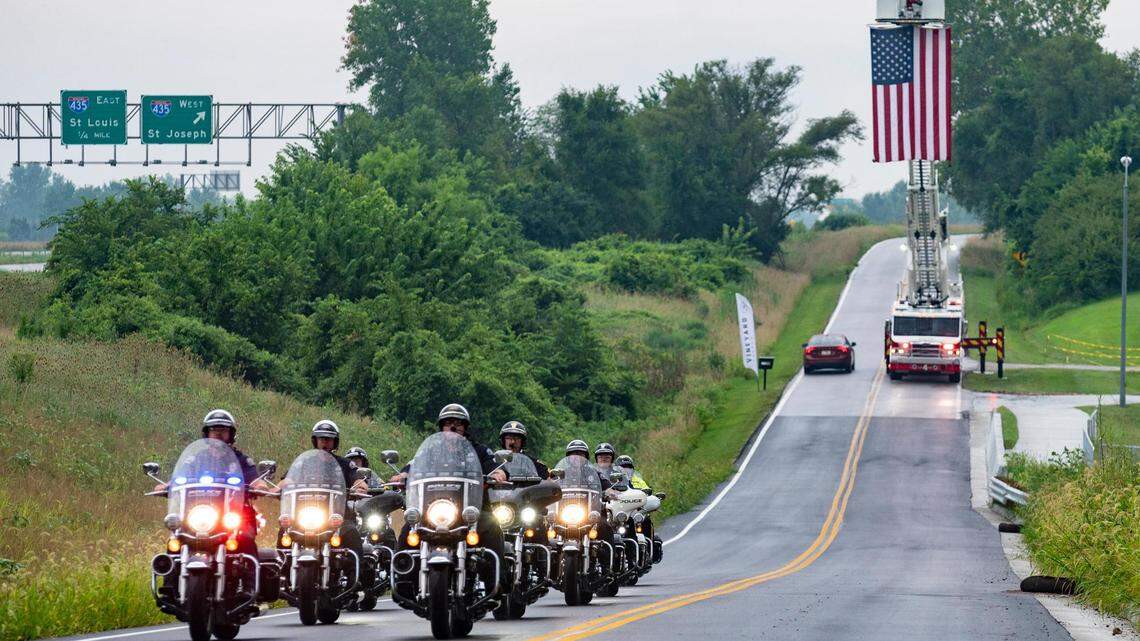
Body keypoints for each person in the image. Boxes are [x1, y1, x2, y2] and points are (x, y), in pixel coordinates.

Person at [394, 404, 509, 587]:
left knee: (492, 526)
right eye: (448, 423)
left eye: (458, 423)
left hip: (471, 513)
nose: (453, 427)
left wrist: (498, 474)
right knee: (409, 529)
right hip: (434, 510)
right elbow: (413, 466)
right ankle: (403, 579)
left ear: (465, 427)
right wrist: (403, 475)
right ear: (442, 427)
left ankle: (497, 581)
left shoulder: (478, 450)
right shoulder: (430, 450)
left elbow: (494, 466)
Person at [615, 454, 662, 562]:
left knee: (646, 520)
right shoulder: (613, 481)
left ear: (632, 468)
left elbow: (647, 492)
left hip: (637, 511)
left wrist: (648, 493)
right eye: (622, 467)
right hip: (621, 512)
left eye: (628, 467)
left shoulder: (638, 480)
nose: (625, 469)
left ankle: (650, 552)